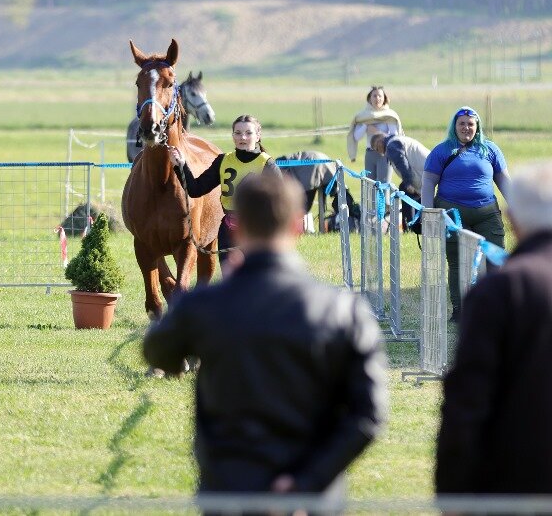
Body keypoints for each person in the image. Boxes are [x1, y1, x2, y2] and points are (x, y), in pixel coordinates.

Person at [143, 174, 387, 502]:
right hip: (311, 496)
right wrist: (307, 481)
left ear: (238, 227)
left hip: (229, 488)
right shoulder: (344, 310)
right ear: (298, 226)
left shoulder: (204, 306)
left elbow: (158, 352)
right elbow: (369, 414)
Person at [435, 161, 552, 495]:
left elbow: (467, 397)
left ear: (512, 221)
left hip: (515, 480)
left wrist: (452, 489)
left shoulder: (497, 291)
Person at [421, 106, 509, 322]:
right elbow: (427, 183)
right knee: (458, 262)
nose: (466, 128)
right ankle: (460, 310)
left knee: (495, 258)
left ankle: (496, 308)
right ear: (455, 126)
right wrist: (428, 213)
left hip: (487, 214)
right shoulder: (442, 151)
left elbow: (505, 182)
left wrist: (519, 209)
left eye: (470, 124)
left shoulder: (490, 150)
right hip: (452, 215)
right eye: (462, 124)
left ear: (477, 126)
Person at [167, 114, 280, 269]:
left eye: (248, 133)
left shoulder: (267, 164)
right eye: (238, 133)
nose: (243, 137)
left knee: (255, 283)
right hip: (229, 230)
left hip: (256, 231)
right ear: (233, 135)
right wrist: (180, 166)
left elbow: (279, 204)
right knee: (231, 283)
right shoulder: (223, 161)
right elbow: (195, 189)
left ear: (258, 136)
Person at [371, 133, 429, 230]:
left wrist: (408, 183)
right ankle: (414, 226)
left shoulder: (391, 146)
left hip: (424, 173)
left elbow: (403, 164)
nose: (379, 152)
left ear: (380, 141)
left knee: (405, 191)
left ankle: (409, 227)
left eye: (377, 148)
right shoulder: (396, 141)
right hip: (426, 170)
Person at [346, 86, 402, 182]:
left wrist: (377, 132)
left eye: (380, 96)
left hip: (384, 154)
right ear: (369, 99)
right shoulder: (363, 116)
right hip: (370, 154)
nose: (377, 99)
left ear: (384, 98)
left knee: (383, 185)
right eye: (374, 96)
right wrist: (365, 126)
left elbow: (395, 137)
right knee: (369, 186)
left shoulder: (389, 116)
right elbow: (356, 137)